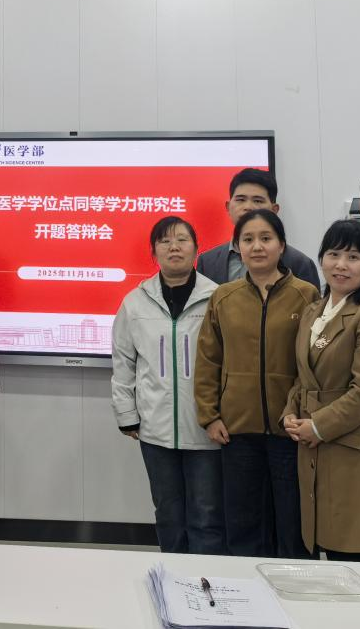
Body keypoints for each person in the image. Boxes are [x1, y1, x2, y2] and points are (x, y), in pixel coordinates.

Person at [194, 208, 319, 558]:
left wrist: (306, 415)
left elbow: (314, 363)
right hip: (237, 431)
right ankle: (246, 587)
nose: (257, 246)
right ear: (238, 247)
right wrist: (209, 416)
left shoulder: (306, 294)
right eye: (248, 239)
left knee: (293, 523)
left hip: (289, 430)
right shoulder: (224, 297)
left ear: (282, 245)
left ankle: (295, 585)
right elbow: (208, 360)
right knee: (243, 522)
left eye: (266, 238)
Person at [282, 220, 360, 561]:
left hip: (357, 445)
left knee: (357, 550)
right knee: (328, 547)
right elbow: (302, 376)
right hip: (314, 443)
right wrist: (289, 413)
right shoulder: (312, 311)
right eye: (334, 254)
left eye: (353, 257)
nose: (341, 265)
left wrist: (318, 426)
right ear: (322, 259)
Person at [111, 216, 223, 554]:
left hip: (206, 428)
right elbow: (123, 362)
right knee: (168, 514)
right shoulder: (135, 302)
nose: (174, 247)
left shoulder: (218, 298)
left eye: (182, 240)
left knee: (207, 515)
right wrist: (127, 414)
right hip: (155, 429)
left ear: (196, 249)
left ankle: (206, 580)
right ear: (154, 252)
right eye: (165, 241)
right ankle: (174, 576)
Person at [197, 168, 321, 291]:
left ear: (274, 210)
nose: (248, 207)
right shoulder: (207, 262)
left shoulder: (300, 263)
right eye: (241, 200)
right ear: (228, 207)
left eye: (257, 201)